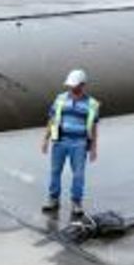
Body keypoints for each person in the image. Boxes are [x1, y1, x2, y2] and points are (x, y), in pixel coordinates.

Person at [42, 69, 101, 218]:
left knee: (78, 175)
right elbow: (52, 119)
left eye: (75, 85)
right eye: (70, 85)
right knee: (55, 171)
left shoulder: (92, 104)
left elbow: (93, 127)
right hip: (60, 141)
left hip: (79, 143)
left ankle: (76, 202)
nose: (71, 87)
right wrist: (45, 139)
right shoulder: (60, 99)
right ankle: (53, 199)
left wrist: (93, 148)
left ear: (82, 84)